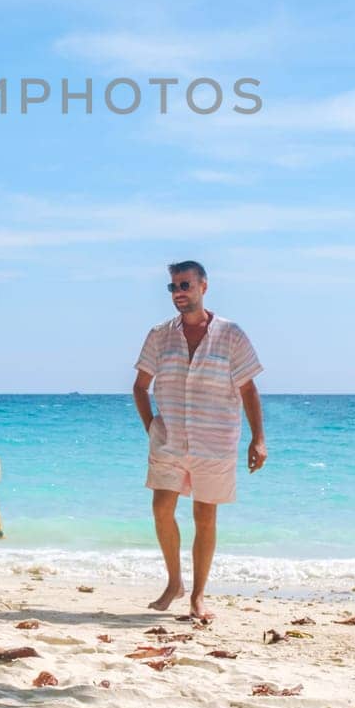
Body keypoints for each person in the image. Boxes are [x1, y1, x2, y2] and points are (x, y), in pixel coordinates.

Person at [132, 259, 266, 622]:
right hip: (170, 439)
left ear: (204, 287)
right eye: (173, 287)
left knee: (204, 515)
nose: (178, 293)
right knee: (162, 509)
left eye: (185, 285)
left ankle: (198, 595)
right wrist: (152, 428)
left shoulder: (231, 334)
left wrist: (258, 439)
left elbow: (249, 388)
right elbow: (140, 387)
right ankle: (174, 583)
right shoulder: (159, 335)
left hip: (215, 438)